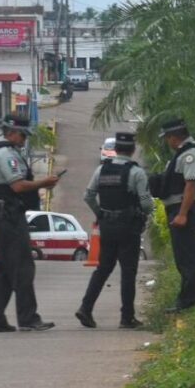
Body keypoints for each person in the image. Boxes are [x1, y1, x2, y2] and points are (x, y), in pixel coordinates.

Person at [0, 116, 59, 333]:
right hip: (8, 216)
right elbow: (17, 186)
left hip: (1, 215)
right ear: (11, 133)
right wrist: (44, 183)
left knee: (2, 271)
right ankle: (28, 318)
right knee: (23, 267)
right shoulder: (7, 155)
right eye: (22, 134)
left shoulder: (2, 154)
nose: (25, 138)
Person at [75, 132, 154, 329]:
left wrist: (101, 214)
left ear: (115, 149)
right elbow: (146, 203)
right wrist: (146, 213)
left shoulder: (101, 170)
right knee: (128, 272)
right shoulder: (136, 173)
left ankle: (86, 308)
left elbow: (88, 196)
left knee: (103, 269)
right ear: (133, 150)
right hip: (128, 228)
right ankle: (127, 317)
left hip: (107, 228)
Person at [155, 118, 195, 313]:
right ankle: (186, 298)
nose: (167, 142)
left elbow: (191, 185)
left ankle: (188, 301)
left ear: (174, 137)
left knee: (188, 257)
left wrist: (182, 214)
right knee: (182, 256)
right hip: (176, 208)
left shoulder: (191, 154)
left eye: (167, 138)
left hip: (182, 209)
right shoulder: (182, 154)